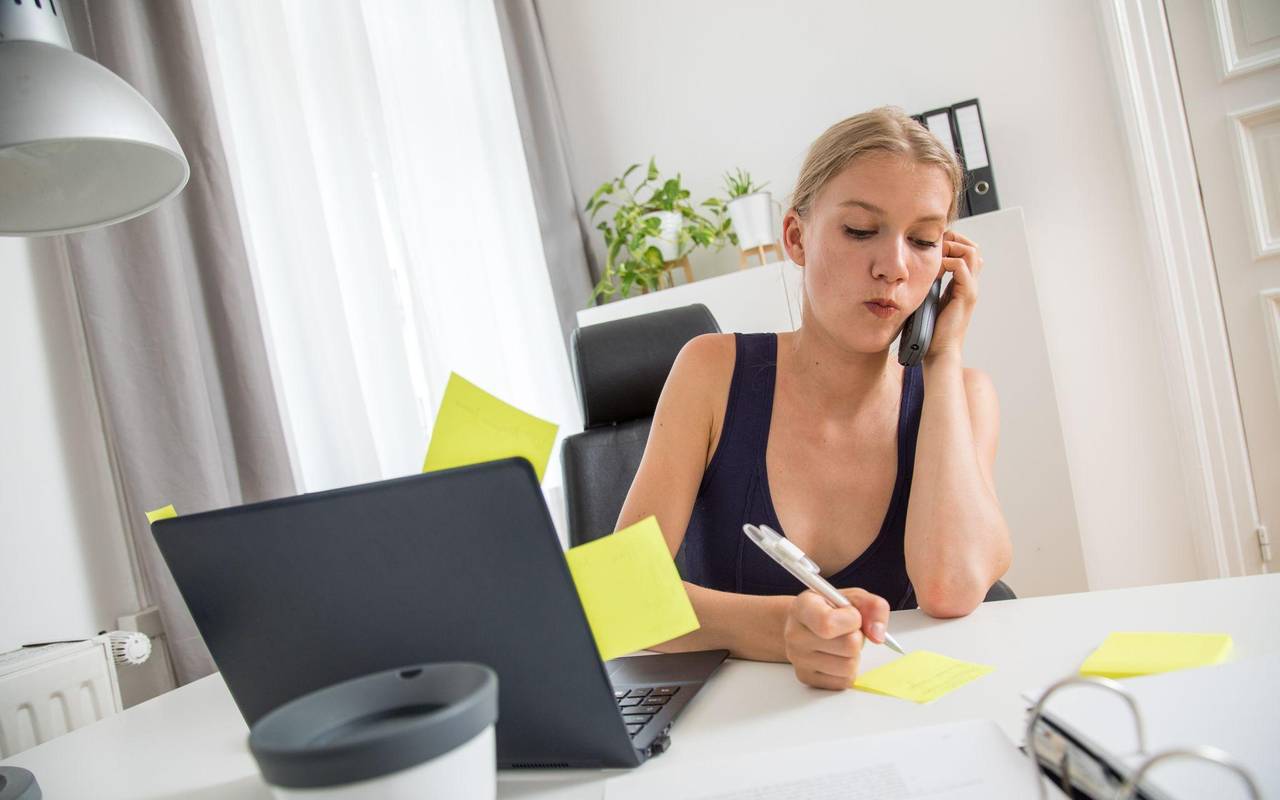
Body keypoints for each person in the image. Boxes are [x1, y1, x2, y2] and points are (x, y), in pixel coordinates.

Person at [615, 106, 1012, 690]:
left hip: (900, 726)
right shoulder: (711, 373)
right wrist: (784, 628)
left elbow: (951, 590)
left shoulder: (964, 398)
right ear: (796, 237)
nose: (894, 268)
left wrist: (943, 357)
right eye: (860, 231)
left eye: (924, 241)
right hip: (733, 737)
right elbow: (622, 595)